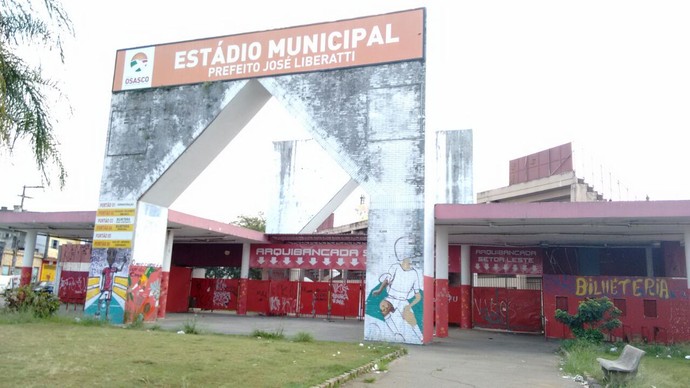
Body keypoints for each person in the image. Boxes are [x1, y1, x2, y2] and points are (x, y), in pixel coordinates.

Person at [373, 236, 423, 342]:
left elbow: (418, 295)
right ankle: (396, 334)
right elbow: (387, 280)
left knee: (411, 320)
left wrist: (409, 306)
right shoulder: (395, 267)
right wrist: (380, 290)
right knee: (383, 306)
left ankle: (420, 337)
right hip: (391, 298)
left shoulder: (414, 273)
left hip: (403, 301)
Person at [95, 248, 126, 318]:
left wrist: (124, 263)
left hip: (109, 289)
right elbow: (102, 278)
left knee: (107, 302)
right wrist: (101, 287)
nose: (110, 261)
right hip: (105, 288)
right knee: (100, 300)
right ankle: (99, 313)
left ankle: (106, 315)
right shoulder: (105, 269)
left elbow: (120, 269)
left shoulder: (113, 269)